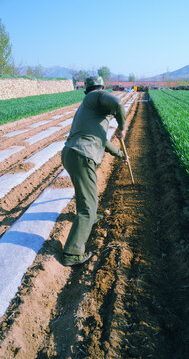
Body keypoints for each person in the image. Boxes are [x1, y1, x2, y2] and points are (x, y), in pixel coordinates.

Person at [61, 76, 126, 266]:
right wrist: (123, 127)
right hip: (81, 154)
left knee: (87, 194)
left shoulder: (88, 108)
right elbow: (119, 104)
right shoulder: (97, 96)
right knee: (87, 208)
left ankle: (92, 216)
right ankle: (72, 253)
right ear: (102, 87)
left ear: (85, 90)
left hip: (73, 153)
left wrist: (120, 154)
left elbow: (102, 140)